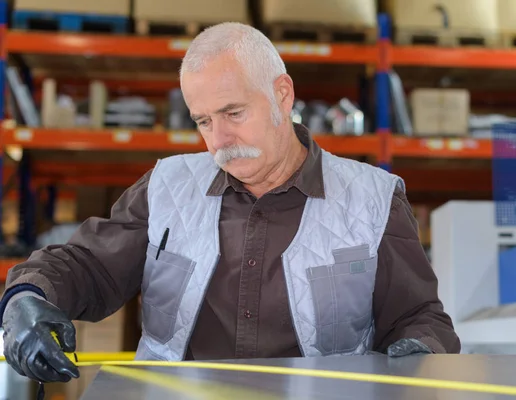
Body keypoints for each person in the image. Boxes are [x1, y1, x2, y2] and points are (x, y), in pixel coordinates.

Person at [0, 22, 460, 383]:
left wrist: (419, 351)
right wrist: (27, 295)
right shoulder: (167, 187)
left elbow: (418, 317)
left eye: (233, 113)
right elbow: (88, 266)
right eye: (203, 120)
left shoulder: (372, 199)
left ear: (282, 94)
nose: (219, 139)